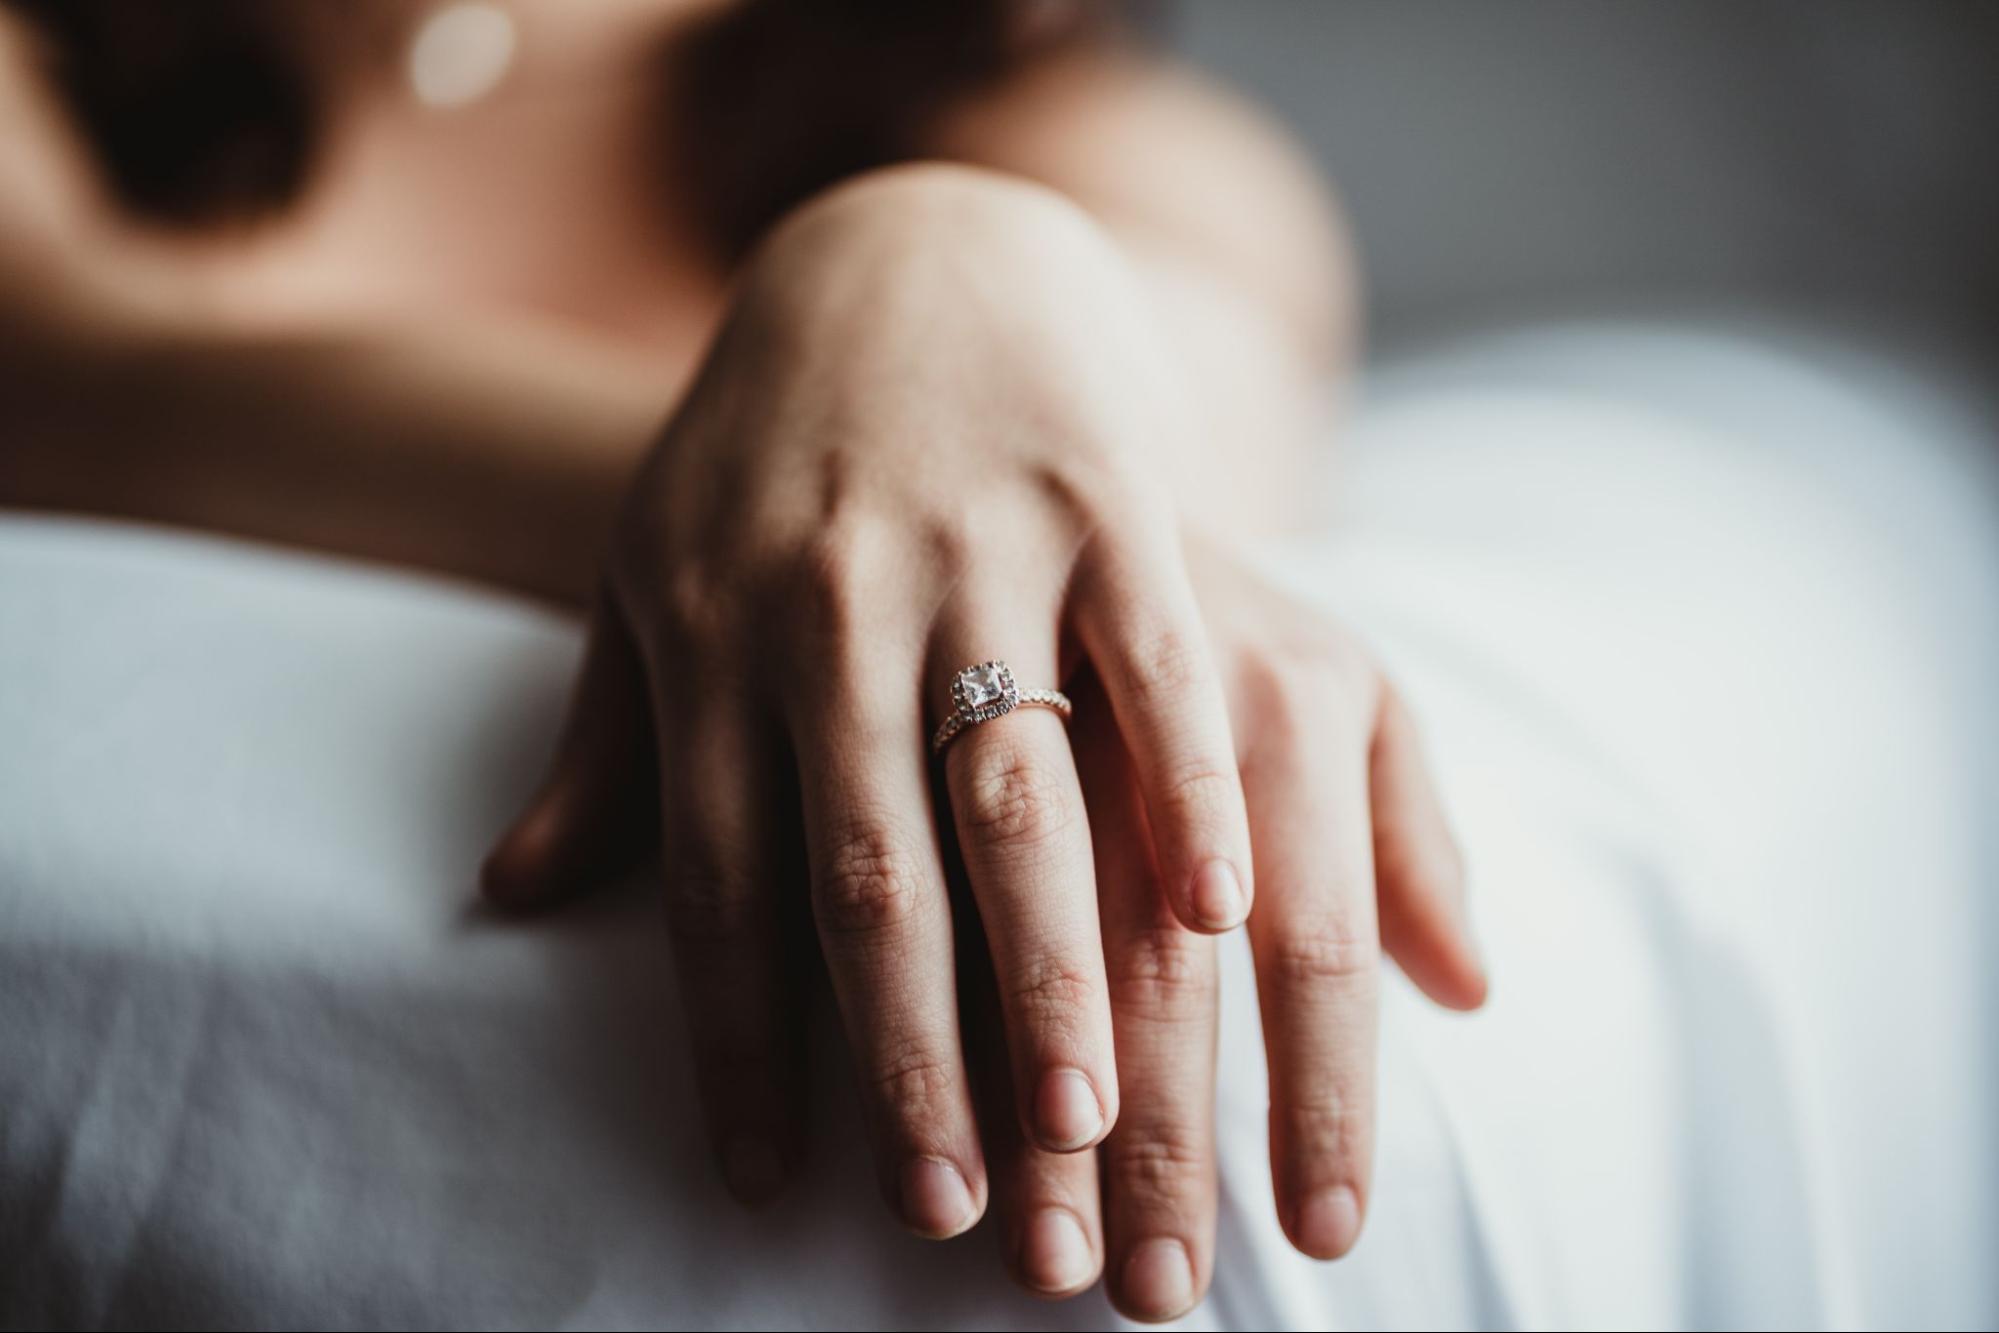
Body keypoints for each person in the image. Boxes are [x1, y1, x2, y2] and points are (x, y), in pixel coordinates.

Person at [0, 1, 1487, 1321]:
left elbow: (1162, 514)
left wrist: (948, 249)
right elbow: (65, 369)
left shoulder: (1113, 151)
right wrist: (814, 458)